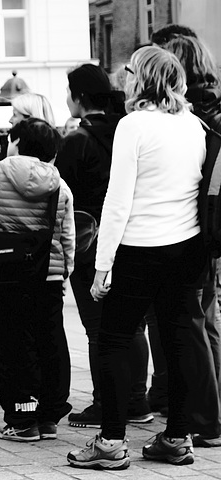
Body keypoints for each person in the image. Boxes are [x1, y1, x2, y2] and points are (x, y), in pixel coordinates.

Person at [67, 45, 206, 469]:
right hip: (186, 247)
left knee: (112, 341)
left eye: (128, 71)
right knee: (178, 339)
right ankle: (178, 437)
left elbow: (118, 200)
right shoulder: (194, 125)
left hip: (139, 248)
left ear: (141, 77)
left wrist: (102, 265)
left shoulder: (134, 125)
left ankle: (110, 443)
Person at [55, 63, 153, 428]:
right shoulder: (128, 129)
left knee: (98, 329)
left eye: (69, 92)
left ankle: (104, 403)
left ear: (79, 98)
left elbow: (62, 196)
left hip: (89, 242)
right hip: (131, 237)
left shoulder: (77, 141)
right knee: (135, 324)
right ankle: (137, 400)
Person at [0, 117, 74, 441]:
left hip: (9, 273)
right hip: (47, 274)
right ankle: (50, 416)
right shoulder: (60, 185)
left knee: (12, 344)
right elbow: (67, 234)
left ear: (19, 143)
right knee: (49, 342)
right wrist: (65, 271)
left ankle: (22, 419)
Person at [158, 32, 221, 448]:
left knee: (192, 322)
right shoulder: (216, 106)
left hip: (195, 228)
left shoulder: (191, 115)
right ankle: (201, 407)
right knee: (206, 319)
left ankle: (205, 418)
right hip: (212, 231)